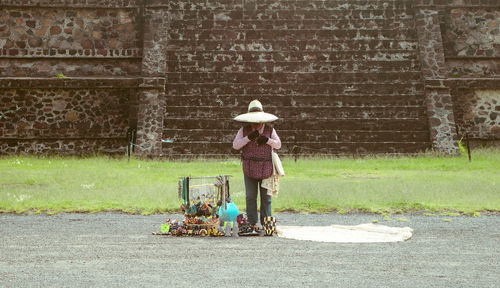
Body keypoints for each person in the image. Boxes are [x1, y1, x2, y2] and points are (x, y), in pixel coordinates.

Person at [232, 100, 281, 231]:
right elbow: (236, 146)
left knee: (266, 197)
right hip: (249, 166)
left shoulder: (270, 130)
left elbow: (278, 145)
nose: (256, 123)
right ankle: (253, 222)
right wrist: (248, 137)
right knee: (250, 196)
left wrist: (267, 140)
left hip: (266, 167)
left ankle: (266, 223)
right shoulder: (244, 130)